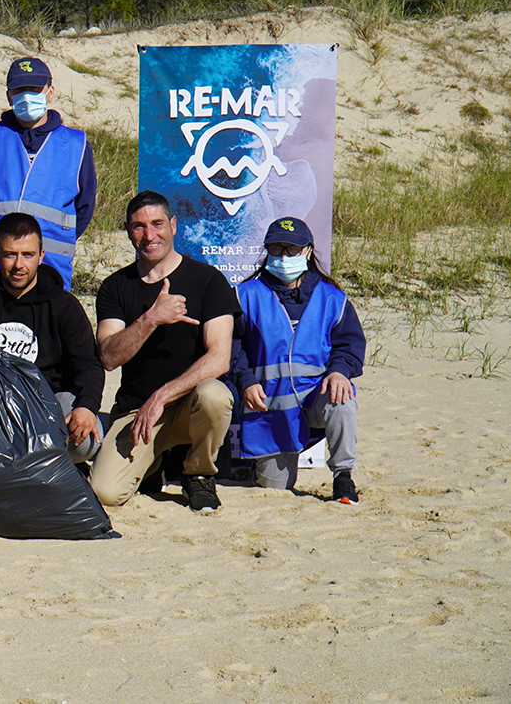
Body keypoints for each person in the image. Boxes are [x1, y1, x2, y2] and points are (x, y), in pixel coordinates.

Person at [92, 191, 240, 511]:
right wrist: (150, 319)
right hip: (137, 412)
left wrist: (163, 395)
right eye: (138, 227)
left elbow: (219, 357)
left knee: (215, 394)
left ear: (173, 225)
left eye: (158, 224)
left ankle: (198, 474)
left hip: (187, 406)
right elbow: (108, 356)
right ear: (128, 231)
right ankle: (153, 464)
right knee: (106, 492)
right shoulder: (115, 287)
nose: (149, 235)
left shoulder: (208, 280)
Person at [0, 213, 105, 463]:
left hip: (52, 400)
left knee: (84, 444)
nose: (19, 265)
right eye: (10, 254)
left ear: (41, 256)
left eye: (27, 255)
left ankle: (58, 466)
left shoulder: (63, 306)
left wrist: (87, 407)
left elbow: (89, 366)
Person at [229, 217, 364, 503]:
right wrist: (246, 381)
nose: (283, 256)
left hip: (315, 398)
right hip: (269, 406)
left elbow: (349, 345)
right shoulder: (245, 295)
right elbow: (231, 345)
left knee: (343, 398)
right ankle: (253, 468)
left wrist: (340, 371)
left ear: (308, 251)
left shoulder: (333, 298)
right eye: (276, 249)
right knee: (275, 490)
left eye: (292, 250)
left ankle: (343, 476)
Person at [0, 57, 96, 291]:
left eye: (35, 89)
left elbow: (83, 209)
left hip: (52, 268)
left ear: (50, 92)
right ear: (8, 96)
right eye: (19, 90)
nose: (27, 96)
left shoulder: (76, 144)